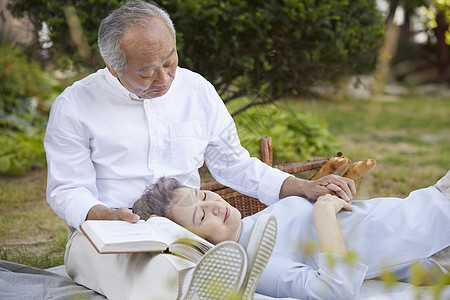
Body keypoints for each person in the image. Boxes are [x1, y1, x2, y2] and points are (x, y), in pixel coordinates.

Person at [43, 0, 356, 298]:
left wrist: (298, 185)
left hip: (187, 228)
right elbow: (67, 188)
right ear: (113, 67)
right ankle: (215, 278)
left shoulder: (197, 90)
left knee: (185, 256)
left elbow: (233, 163)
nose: (164, 79)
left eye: (169, 61)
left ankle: (210, 275)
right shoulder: (75, 105)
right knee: (132, 268)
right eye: (147, 72)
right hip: (114, 233)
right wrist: (100, 215)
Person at [133, 171, 450, 300]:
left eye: (203, 195)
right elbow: (334, 291)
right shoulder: (256, 260)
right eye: (201, 216)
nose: (214, 205)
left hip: (431, 206)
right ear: (196, 242)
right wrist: (323, 213)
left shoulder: (255, 220)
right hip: (436, 235)